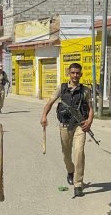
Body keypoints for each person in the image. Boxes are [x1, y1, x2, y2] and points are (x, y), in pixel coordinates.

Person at [40, 63, 93, 198]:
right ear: (68, 74)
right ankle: (70, 171)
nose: (75, 75)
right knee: (66, 154)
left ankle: (78, 184)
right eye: (73, 73)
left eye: (77, 73)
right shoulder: (62, 88)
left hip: (80, 126)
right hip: (65, 126)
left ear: (81, 74)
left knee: (79, 152)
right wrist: (44, 116)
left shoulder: (85, 90)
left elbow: (90, 108)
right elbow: (50, 103)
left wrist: (89, 121)